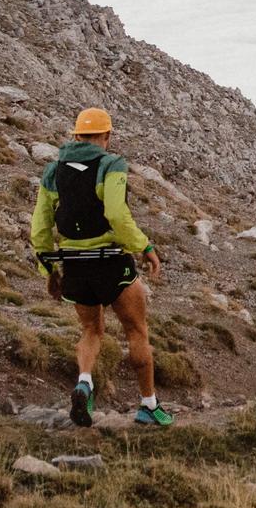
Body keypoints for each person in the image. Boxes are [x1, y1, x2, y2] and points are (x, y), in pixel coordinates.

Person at [31, 108, 169, 428]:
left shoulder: (53, 170)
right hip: (110, 261)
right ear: (107, 136)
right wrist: (144, 247)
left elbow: (40, 224)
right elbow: (117, 215)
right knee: (136, 330)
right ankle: (148, 404)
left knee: (91, 330)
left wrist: (48, 270)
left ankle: (84, 382)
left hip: (74, 266)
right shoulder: (110, 164)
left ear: (76, 135)